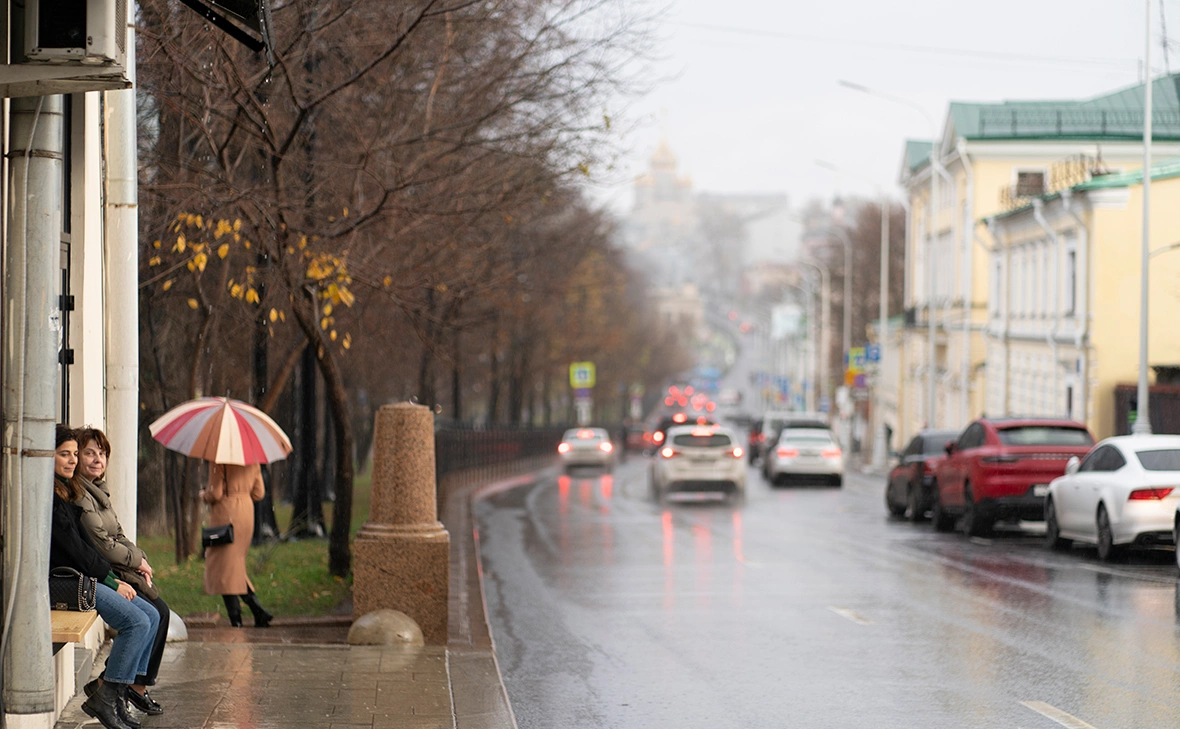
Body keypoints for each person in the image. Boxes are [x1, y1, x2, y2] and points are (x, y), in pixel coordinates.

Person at [50, 425, 158, 729]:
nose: (72, 461)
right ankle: (106, 697)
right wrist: (113, 581)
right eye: (65, 454)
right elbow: (78, 551)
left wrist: (115, 576)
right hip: (67, 582)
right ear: (48, 456)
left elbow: (88, 547)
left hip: (84, 577)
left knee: (149, 613)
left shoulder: (68, 490)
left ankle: (115, 693)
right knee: (137, 621)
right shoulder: (54, 498)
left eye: (74, 454)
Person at [74, 427, 167, 716]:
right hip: (105, 571)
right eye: (89, 452)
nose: (97, 459)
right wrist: (134, 562)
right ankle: (119, 687)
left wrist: (140, 558)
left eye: (102, 454)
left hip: (118, 566)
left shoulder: (99, 492)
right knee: (151, 615)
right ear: (77, 457)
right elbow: (102, 544)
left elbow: (119, 534)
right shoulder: (81, 495)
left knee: (157, 612)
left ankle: (119, 686)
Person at [200, 462, 272, 627]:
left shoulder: (219, 461)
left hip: (227, 514)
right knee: (234, 567)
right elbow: (259, 493)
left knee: (225, 570)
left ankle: (237, 620)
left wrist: (204, 495)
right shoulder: (251, 460)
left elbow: (216, 493)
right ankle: (258, 611)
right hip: (246, 513)